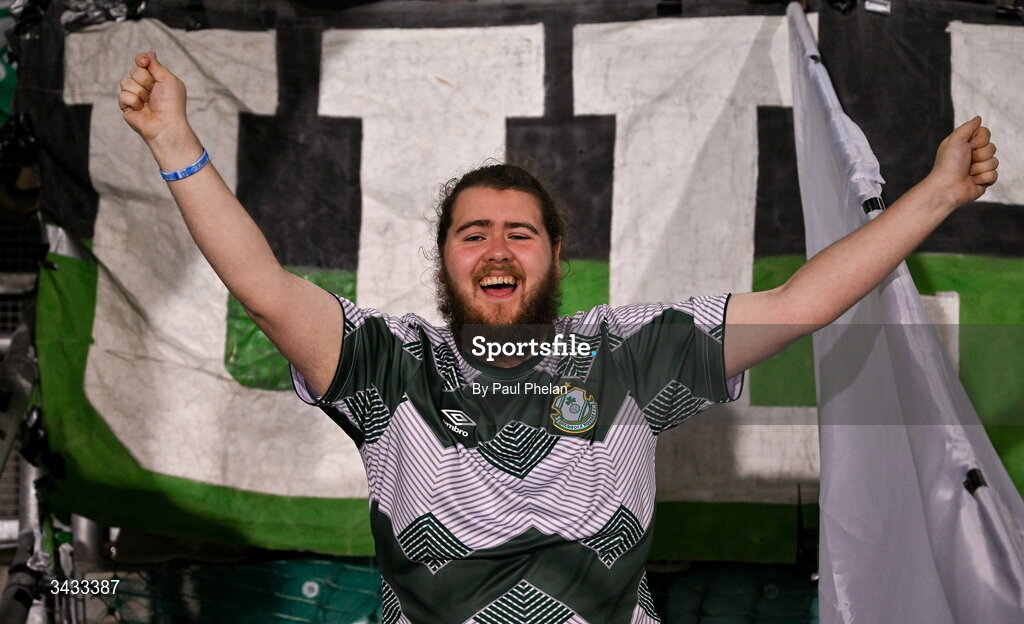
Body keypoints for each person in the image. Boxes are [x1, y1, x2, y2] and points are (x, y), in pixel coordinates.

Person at [119, 50, 998, 623]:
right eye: (474, 234)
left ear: (554, 255)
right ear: (444, 260)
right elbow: (263, 288)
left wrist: (939, 195)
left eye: (519, 233)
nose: (497, 249)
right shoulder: (389, 361)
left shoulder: (629, 348)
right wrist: (174, 141)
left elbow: (803, 303)